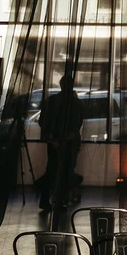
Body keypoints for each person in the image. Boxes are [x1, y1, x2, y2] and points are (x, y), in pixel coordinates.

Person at [38, 74, 84, 211]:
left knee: (51, 170)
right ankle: (62, 200)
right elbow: (77, 125)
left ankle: (45, 199)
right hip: (70, 144)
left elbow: (42, 121)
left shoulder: (51, 101)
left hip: (54, 143)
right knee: (66, 171)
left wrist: (52, 139)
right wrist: (66, 139)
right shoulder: (77, 104)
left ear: (61, 85)